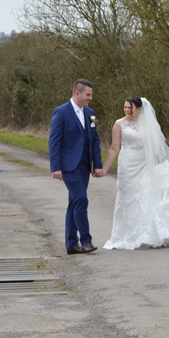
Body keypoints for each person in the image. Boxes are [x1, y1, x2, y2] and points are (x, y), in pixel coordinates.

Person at [101, 96, 169, 250]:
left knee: (147, 196)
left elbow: (153, 144)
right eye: (125, 107)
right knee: (127, 197)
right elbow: (114, 147)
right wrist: (106, 168)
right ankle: (125, 234)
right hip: (128, 163)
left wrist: (162, 161)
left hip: (145, 163)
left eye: (130, 107)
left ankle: (153, 234)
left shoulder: (147, 123)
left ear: (139, 108)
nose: (127, 110)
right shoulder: (119, 124)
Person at [49, 79, 106, 255]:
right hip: (68, 166)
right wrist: (55, 167)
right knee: (81, 199)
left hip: (84, 166)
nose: (90, 98)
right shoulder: (61, 112)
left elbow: (95, 140)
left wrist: (97, 164)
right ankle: (86, 241)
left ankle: (71, 244)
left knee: (74, 203)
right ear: (77, 93)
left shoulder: (90, 113)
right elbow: (54, 141)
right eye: (88, 95)